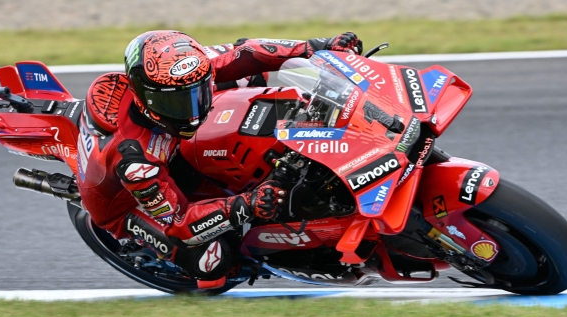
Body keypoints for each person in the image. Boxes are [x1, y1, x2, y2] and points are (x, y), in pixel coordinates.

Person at [76, 30, 363, 288]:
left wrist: (317, 47)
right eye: (175, 103)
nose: (192, 112)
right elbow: (180, 223)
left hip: (173, 150)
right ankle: (184, 258)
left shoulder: (184, 71)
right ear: (146, 98)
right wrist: (245, 205)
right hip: (127, 205)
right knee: (216, 262)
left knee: (247, 77)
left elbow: (247, 52)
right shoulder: (136, 159)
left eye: (197, 94)